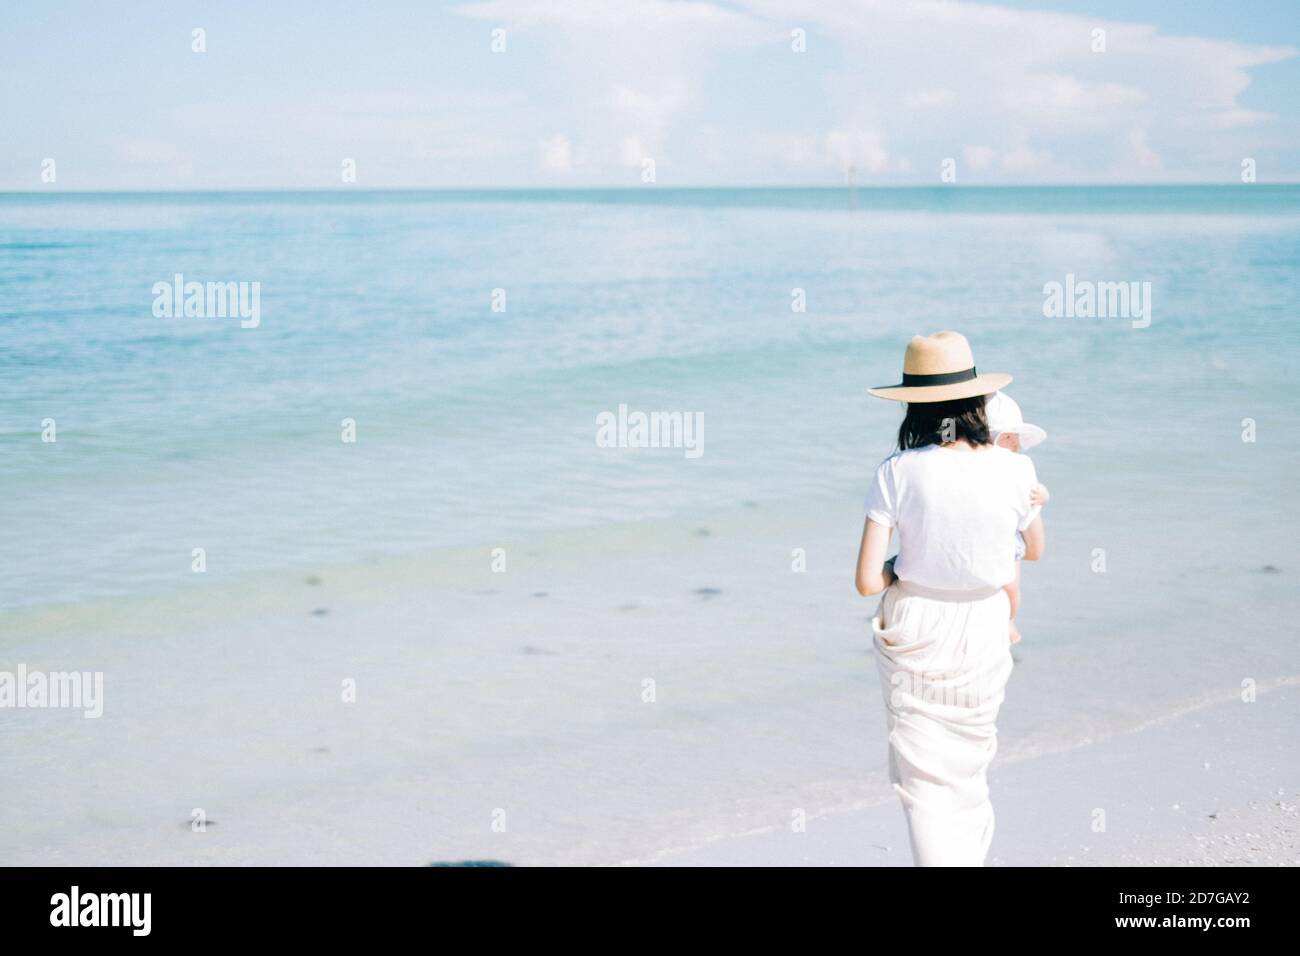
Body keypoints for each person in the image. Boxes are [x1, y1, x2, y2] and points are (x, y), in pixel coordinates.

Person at [855, 331, 1045, 866]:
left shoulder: (897, 471)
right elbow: (1030, 551)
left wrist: (899, 568)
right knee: (969, 766)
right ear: (976, 399)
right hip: (986, 618)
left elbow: (869, 580)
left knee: (924, 781)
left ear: (913, 403)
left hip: (917, 622)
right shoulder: (1016, 468)